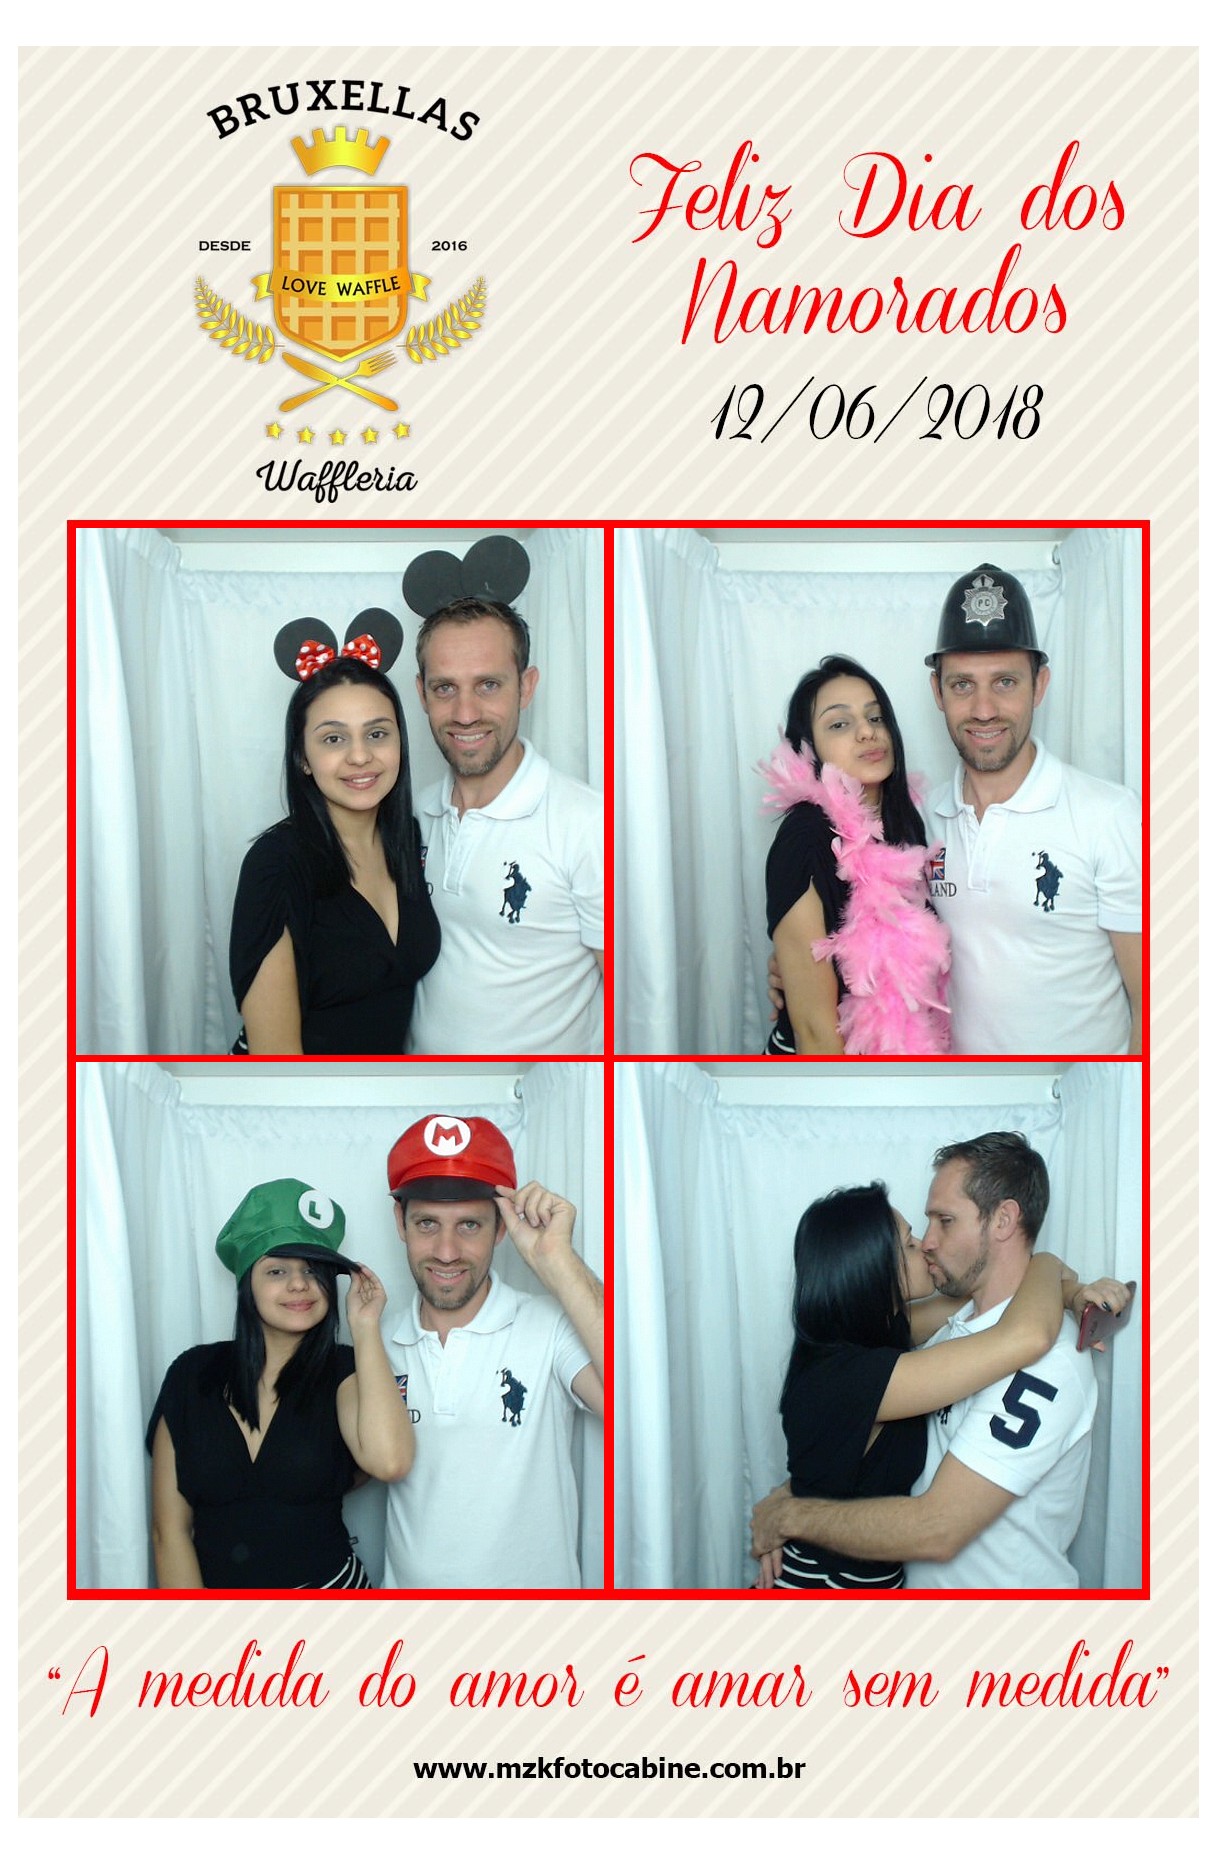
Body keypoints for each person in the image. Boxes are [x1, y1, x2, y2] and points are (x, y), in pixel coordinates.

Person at [753, 1132, 1131, 1589]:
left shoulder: (1022, 1349)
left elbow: (1022, 1329)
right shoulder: (882, 1358)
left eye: (944, 1221)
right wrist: (1049, 1265)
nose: (928, 1242)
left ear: (1004, 1219)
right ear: (868, 1270)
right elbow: (1020, 1332)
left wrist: (1064, 1286)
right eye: (912, 1239)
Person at [147, 1178, 412, 1589]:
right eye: (277, 1270)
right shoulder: (192, 1373)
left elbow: (389, 1462)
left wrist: (364, 1327)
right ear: (246, 1284)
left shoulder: (345, 1369)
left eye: (312, 1270)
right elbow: (169, 1533)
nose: (299, 1284)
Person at [924, 564, 1141, 1054]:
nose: (983, 709)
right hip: (961, 1084)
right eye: (962, 685)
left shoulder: (1110, 815)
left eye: (1005, 682)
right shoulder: (922, 815)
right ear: (937, 691)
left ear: (1039, 685)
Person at [380, 1113, 604, 1588]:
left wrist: (558, 1261)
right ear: (400, 1222)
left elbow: (636, 1403)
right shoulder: (377, 1341)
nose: (446, 1251)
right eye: (427, 1223)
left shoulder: (549, 1325)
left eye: (469, 1225)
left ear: (501, 1228)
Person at [401, 538, 604, 1055]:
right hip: (419, 1088)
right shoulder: (411, 815)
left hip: (531, 1095)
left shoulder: (586, 823)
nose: (465, 713)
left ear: (526, 687)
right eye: (445, 688)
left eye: (488, 685)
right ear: (421, 693)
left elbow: (633, 1003)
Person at [229, 613, 440, 1054]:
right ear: (302, 758)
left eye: (377, 734)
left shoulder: (413, 839)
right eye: (333, 739)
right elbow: (276, 1062)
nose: (360, 756)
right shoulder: (276, 866)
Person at [759, 655, 949, 1054]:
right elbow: (815, 1033)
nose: (867, 732)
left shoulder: (910, 828)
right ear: (808, 749)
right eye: (840, 724)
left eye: (876, 718)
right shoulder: (805, 838)